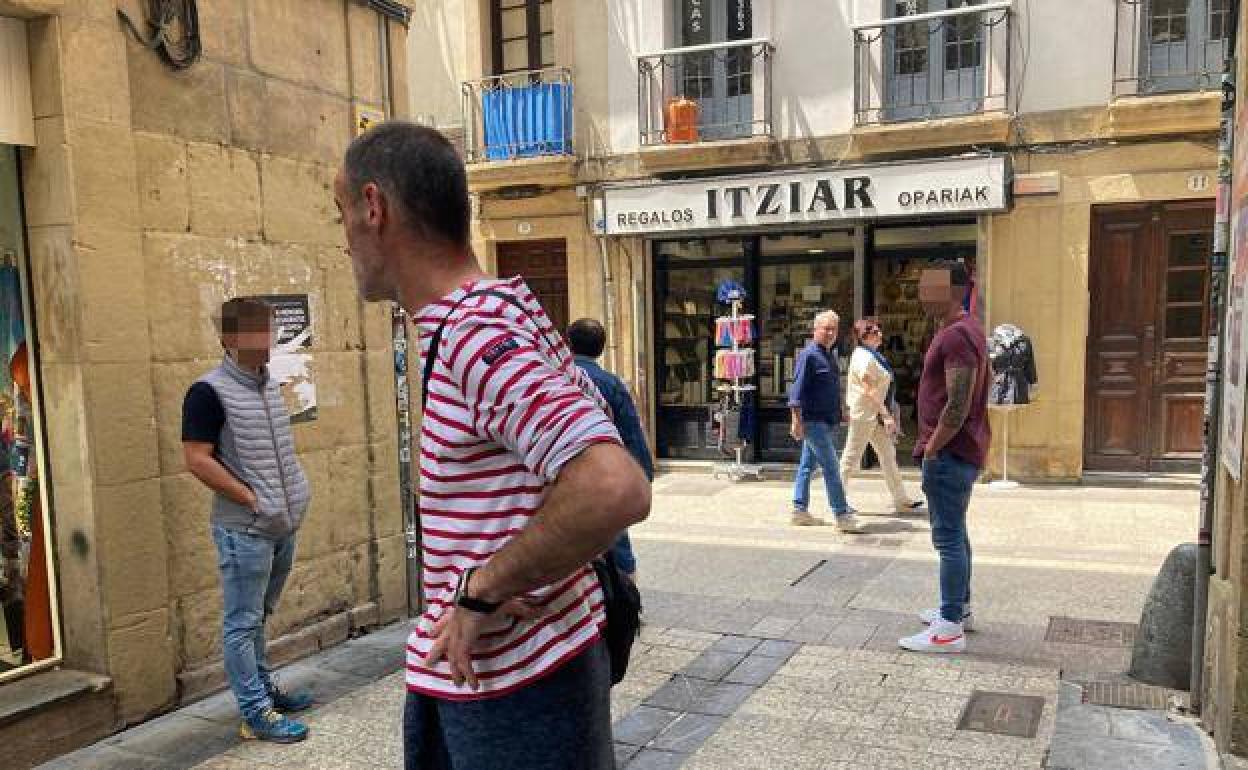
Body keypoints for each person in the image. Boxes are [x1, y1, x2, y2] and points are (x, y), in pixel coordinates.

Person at [334, 122, 650, 770]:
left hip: (516, 688)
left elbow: (613, 486)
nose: (342, 242)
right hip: (522, 671)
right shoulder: (501, 310)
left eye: (338, 214)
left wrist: (480, 588)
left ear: (374, 208)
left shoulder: (473, 333)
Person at [182, 298, 315, 743]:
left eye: (268, 331)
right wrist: (252, 500)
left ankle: (264, 690)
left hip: (281, 524)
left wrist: (292, 497)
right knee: (242, 621)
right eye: (253, 333)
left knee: (261, 615)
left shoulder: (269, 384)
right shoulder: (207, 392)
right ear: (229, 338)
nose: (265, 341)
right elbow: (197, 460)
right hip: (244, 530)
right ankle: (256, 712)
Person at [899, 262, 991, 654]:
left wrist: (934, 447)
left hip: (950, 451)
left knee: (948, 537)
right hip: (960, 449)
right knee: (957, 531)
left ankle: (949, 627)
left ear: (954, 289)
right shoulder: (966, 330)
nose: (923, 295)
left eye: (930, 287)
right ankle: (959, 609)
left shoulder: (956, 336)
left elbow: (958, 401)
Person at [567, 318, 654, 583]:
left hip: (566, 474)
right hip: (606, 474)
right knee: (615, 537)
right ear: (602, 348)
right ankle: (625, 600)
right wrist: (643, 473)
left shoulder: (555, 379)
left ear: (567, 343)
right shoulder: (611, 384)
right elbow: (631, 433)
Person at [788, 310, 865, 534]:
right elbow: (796, 391)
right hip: (813, 422)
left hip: (827, 419)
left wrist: (842, 410)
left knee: (806, 466)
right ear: (815, 330)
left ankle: (799, 510)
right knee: (832, 467)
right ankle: (842, 514)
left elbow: (832, 387)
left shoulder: (829, 355)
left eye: (834, 329)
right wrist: (796, 420)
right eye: (826, 328)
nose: (831, 333)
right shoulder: (808, 355)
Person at [839, 318, 925, 515]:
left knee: (887, 455)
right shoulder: (863, 358)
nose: (880, 335)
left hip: (874, 414)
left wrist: (885, 413)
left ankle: (901, 499)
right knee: (851, 458)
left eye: (879, 330)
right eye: (875, 332)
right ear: (864, 336)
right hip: (865, 414)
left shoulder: (873, 355)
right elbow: (869, 389)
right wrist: (886, 415)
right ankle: (837, 499)